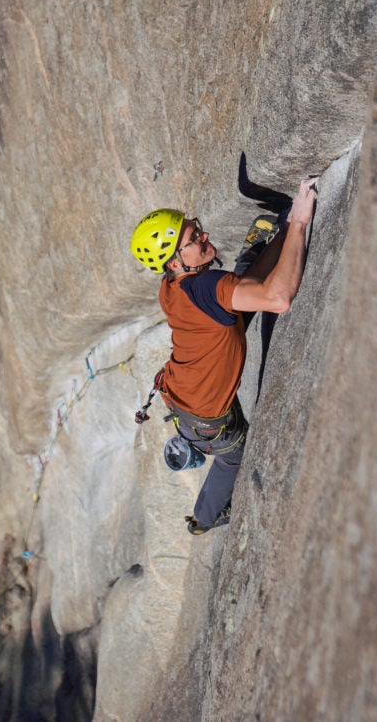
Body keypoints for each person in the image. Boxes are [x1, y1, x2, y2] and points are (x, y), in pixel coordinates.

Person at [129, 177, 318, 534]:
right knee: (235, 454)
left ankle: (253, 254)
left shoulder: (174, 289)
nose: (203, 235)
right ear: (174, 263)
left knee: (237, 301)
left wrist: (284, 234)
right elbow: (278, 298)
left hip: (183, 396)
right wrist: (299, 223)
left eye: (195, 228)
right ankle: (203, 519)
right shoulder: (207, 287)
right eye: (193, 239)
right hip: (207, 419)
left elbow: (244, 294)